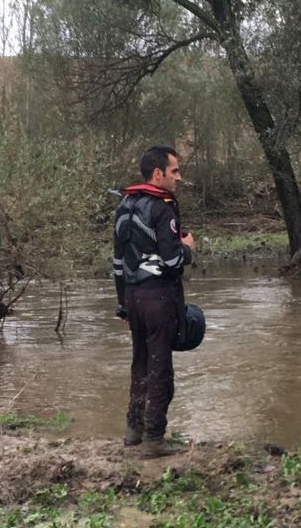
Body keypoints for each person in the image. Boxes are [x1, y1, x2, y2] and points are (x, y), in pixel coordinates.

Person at [112, 146, 195, 452]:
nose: (179, 177)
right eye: (175, 171)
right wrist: (189, 248)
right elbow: (173, 262)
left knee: (140, 364)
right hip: (158, 297)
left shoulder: (125, 205)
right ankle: (154, 440)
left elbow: (118, 262)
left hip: (132, 297)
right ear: (157, 174)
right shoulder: (162, 209)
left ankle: (134, 431)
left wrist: (123, 305)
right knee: (160, 368)